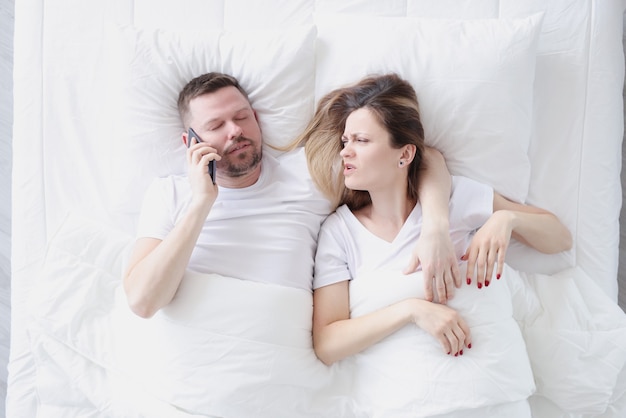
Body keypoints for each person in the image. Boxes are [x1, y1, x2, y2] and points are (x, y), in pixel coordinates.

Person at [297, 73, 572, 416]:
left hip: (491, 399)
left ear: (405, 154)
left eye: (362, 140)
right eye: (345, 140)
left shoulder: (454, 200)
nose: (345, 151)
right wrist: (412, 310)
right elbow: (327, 343)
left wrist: (506, 220)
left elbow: (559, 238)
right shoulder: (340, 232)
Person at [122, 71, 459, 318]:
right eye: (216, 126)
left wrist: (436, 228)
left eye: (242, 117)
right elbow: (143, 301)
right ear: (190, 143)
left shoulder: (306, 173)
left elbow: (420, 158)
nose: (235, 130)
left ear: (256, 119)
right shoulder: (169, 194)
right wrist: (201, 204)